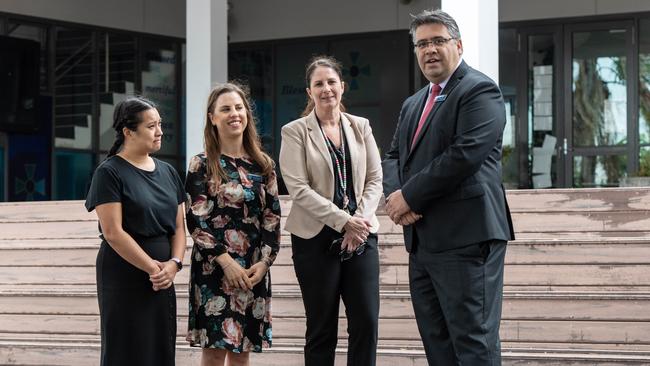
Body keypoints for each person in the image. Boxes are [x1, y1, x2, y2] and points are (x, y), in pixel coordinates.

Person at [382, 9, 516, 366]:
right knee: (437, 346)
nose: (429, 50)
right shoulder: (413, 103)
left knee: (473, 344)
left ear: (457, 44)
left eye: (438, 41)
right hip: (424, 242)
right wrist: (396, 197)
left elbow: (463, 155)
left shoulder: (479, 90)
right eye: (421, 44)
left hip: (467, 238)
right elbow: (394, 156)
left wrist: (408, 196)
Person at [279, 55, 383, 366]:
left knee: (366, 323)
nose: (326, 89)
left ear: (342, 86)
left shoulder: (360, 126)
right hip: (315, 239)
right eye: (318, 84)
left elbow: (375, 178)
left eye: (331, 82)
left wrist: (359, 223)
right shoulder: (295, 131)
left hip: (362, 236)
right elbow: (298, 189)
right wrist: (344, 222)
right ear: (309, 92)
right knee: (322, 328)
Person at [84, 96, 186, 366]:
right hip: (125, 275)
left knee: (160, 349)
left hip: (164, 277)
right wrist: (154, 269)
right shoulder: (109, 172)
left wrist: (174, 264)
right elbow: (113, 232)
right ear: (128, 132)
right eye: (151, 126)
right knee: (125, 350)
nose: (160, 131)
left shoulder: (168, 172)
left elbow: (178, 226)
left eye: (160, 124)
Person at [185, 82, 281, 366]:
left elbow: (272, 220)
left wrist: (263, 264)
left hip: (252, 268)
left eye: (239, 108)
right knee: (214, 354)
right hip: (214, 268)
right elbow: (196, 219)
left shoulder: (264, 165)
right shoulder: (200, 164)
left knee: (242, 354)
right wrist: (226, 262)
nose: (234, 114)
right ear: (213, 118)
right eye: (225, 109)